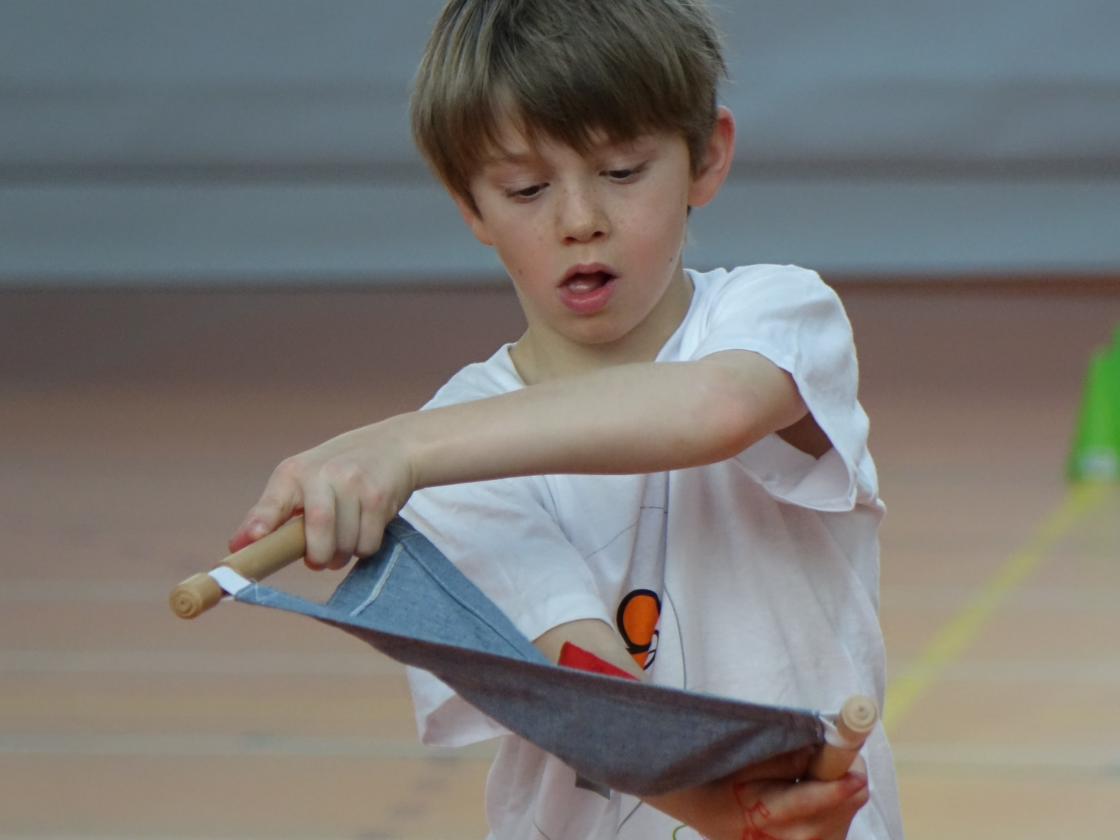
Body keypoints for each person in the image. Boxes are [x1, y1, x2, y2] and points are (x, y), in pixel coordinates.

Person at [230, 1, 904, 837]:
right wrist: (731, 812)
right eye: (526, 188)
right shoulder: (454, 446)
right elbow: (590, 690)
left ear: (706, 156)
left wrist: (403, 445)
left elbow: (715, 407)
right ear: (470, 205)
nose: (579, 219)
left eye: (621, 170)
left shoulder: (778, 313)